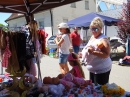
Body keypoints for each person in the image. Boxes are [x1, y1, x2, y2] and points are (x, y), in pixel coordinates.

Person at [82, 17, 112, 85]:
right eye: (92, 29)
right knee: (93, 87)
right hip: (93, 69)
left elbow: (106, 54)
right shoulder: (93, 36)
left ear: (101, 28)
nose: (93, 31)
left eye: (95, 29)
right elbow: (91, 46)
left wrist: (93, 52)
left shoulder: (103, 40)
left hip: (101, 70)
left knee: (100, 90)